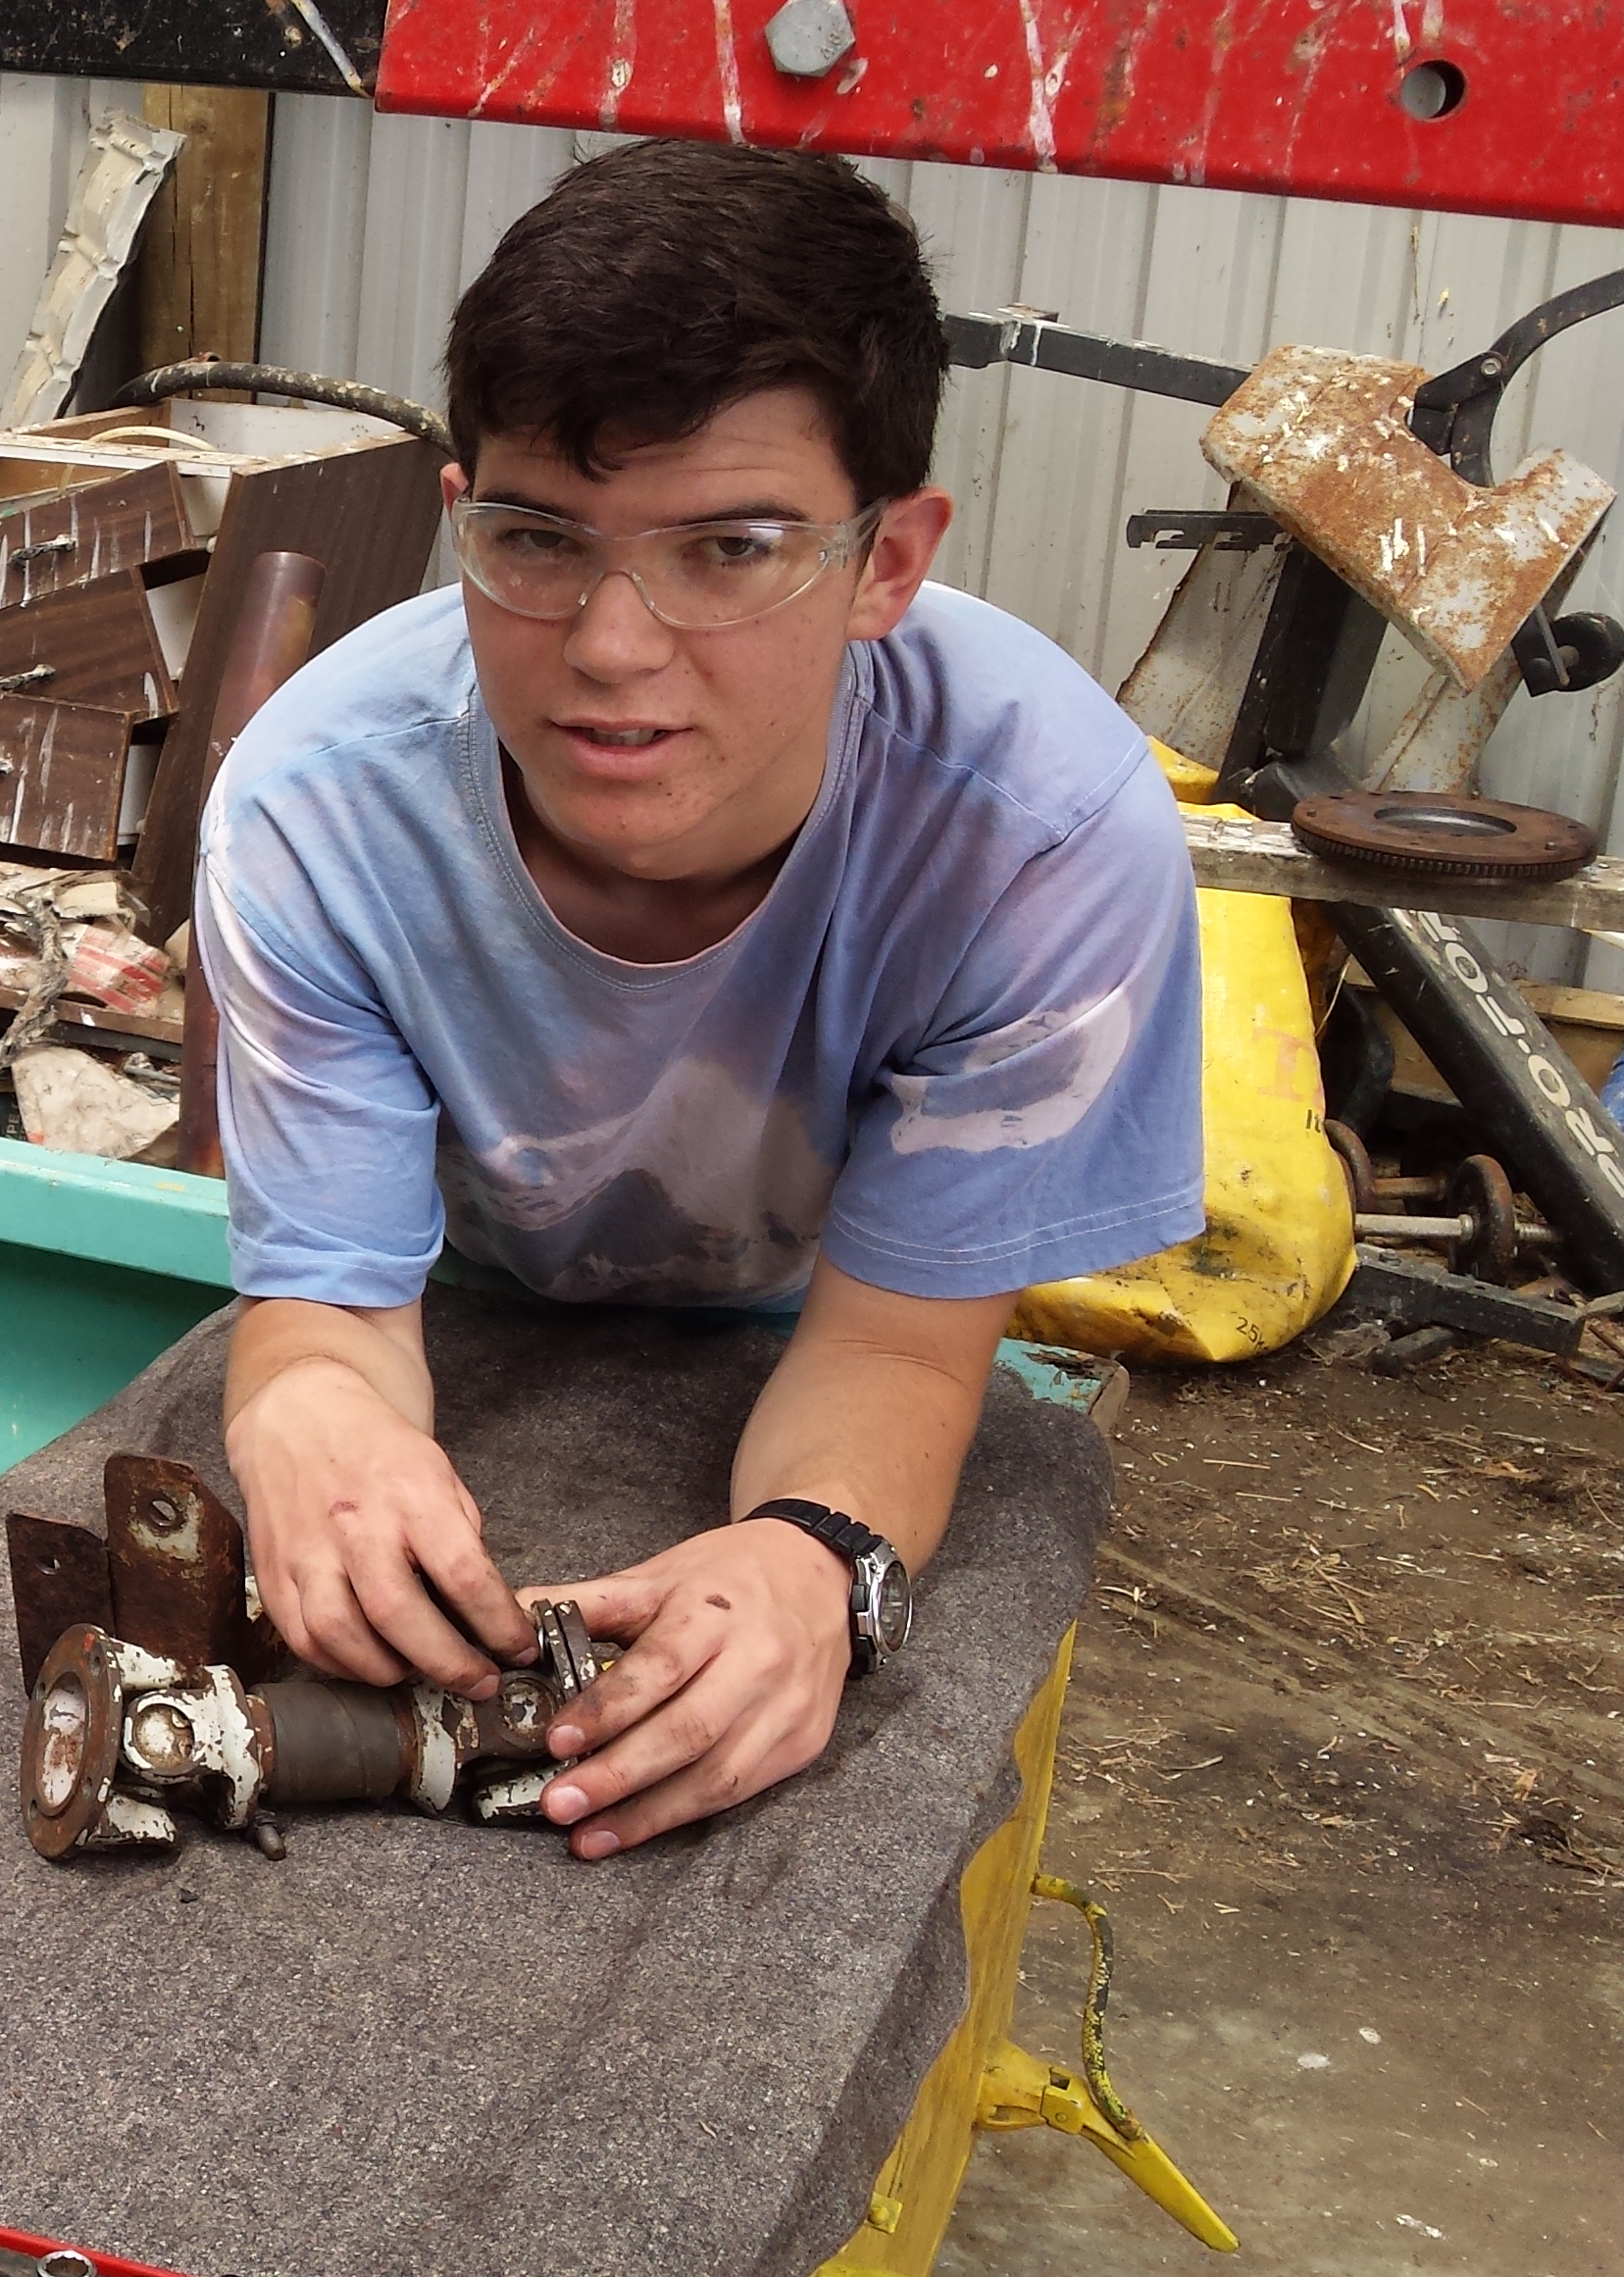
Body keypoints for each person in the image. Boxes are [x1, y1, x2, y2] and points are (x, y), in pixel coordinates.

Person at [194, 140, 1203, 1857]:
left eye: (731, 547)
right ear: (459, 516)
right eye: (538, 539)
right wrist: (307, 1415)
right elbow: (333, 1306)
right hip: (469, 1293)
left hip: (837, 1306)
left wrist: (819, 1556)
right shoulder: (315, 815)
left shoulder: (1045, 840)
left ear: (888, 560)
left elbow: (895, 1345)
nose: (612, 645)